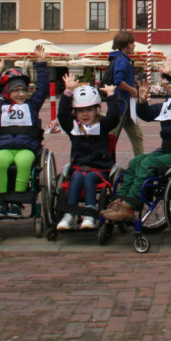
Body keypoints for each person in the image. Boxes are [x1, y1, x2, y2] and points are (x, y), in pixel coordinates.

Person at [100, 55, 171, 223]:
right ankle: (120, 201)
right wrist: (142, 102)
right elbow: (148, 115)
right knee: (136, 162)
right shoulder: (170, 104)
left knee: (147, 164)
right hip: (167, 151)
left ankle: (131, 204)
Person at [0, 45, 49, 218]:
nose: (20, 94)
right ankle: (1, 201)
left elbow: (42, 89)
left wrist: (41, 62)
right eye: (16, 90)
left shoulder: (31, 106)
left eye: (23, 90)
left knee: (25, 162)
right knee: (0, 161)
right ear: (7, 93)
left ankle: (17, 202)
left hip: (26, 148)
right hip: (4, 147)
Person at [55, 74, 119, 231]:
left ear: (97, 110)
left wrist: (111, 96)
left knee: (88, 177)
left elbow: (114, 117)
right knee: (77, 178)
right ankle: (69, 214)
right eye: (81, 111)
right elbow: (62, 116)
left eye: (89, 110)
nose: (85, 114)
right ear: (75, 113)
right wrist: (67, 92)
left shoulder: (102, 125)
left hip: (100, 169)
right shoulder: (73, 128)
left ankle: (90, 214)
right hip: (78, 168)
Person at [105, 31, 144, 156]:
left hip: (125, 107)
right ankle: (103, 160)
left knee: (137, 136)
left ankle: (139, 162)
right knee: (111, 136)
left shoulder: (121, 59)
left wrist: (134, 82)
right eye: (131, 43)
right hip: (121, 105)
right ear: (124, 45)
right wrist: (132, 90)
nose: (134, 46)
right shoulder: (122, 60)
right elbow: (118, 81)